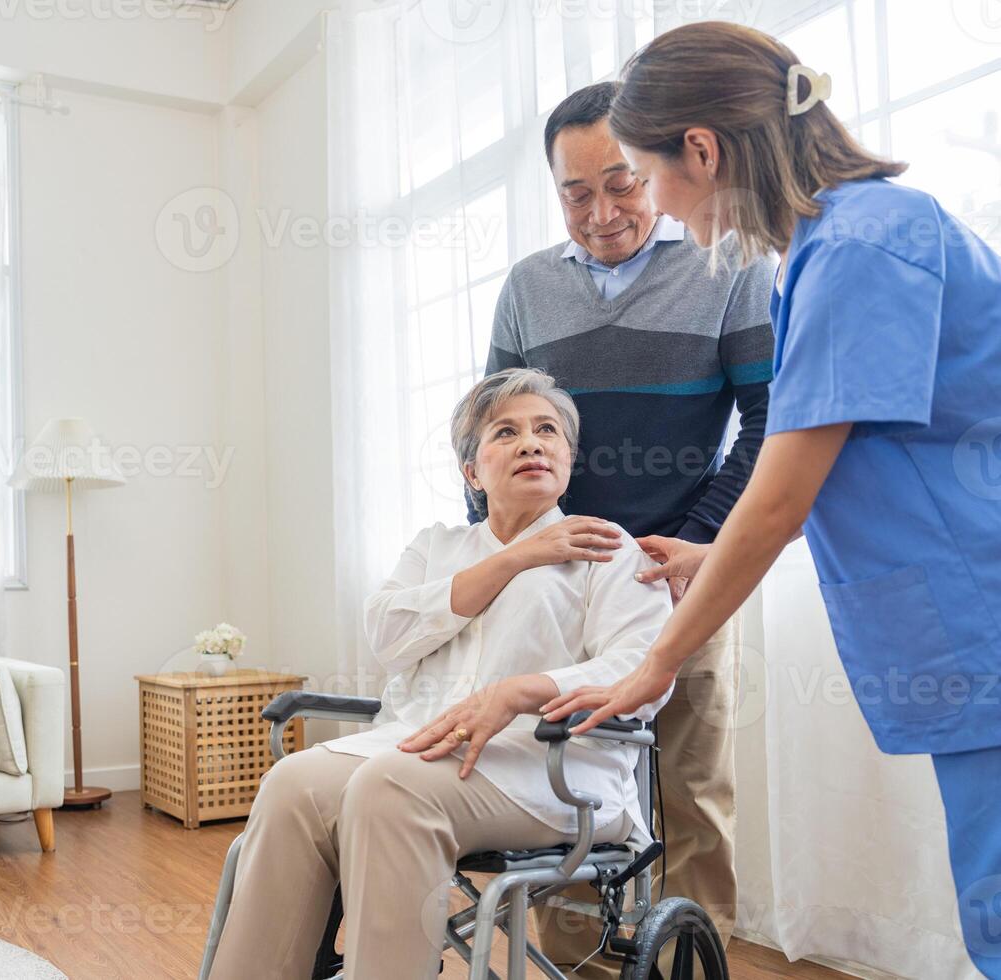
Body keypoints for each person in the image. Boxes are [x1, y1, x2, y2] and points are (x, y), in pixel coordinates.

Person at [433, 22, 1001, 978]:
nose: (644, 205)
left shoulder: (858, 246)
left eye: (643, 177)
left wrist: (661, 647)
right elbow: (846, 455)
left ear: (700, 151)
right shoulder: (835, 245)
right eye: (588, 188)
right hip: (950, 613)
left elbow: (781, 481)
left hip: (974, 607)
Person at [210, 369, 675, 979]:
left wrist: (518, 693)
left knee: (391, 787)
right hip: (414, 746)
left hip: (552, 767)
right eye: (505, 432)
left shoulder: (608, 549)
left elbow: (640, 670)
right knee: (292, 782)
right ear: (472, 472)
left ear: (567, 456)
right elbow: (387, 634)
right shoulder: (437, 546)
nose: (531, 443)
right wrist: (518, 557)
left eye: (547, 431)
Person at [468, 80, 778, 967]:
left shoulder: (730, 266)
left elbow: (767, 420)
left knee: (691, 787)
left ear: (651, 170)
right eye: (576, 192)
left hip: (689, 568)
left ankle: (693, 962)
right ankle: (573, 961)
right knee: (558, 773)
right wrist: (498, 544)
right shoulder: (529, 287)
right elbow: (494, 419)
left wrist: (701, 539)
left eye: (621, 184)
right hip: (559, 573)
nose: (601, 212)